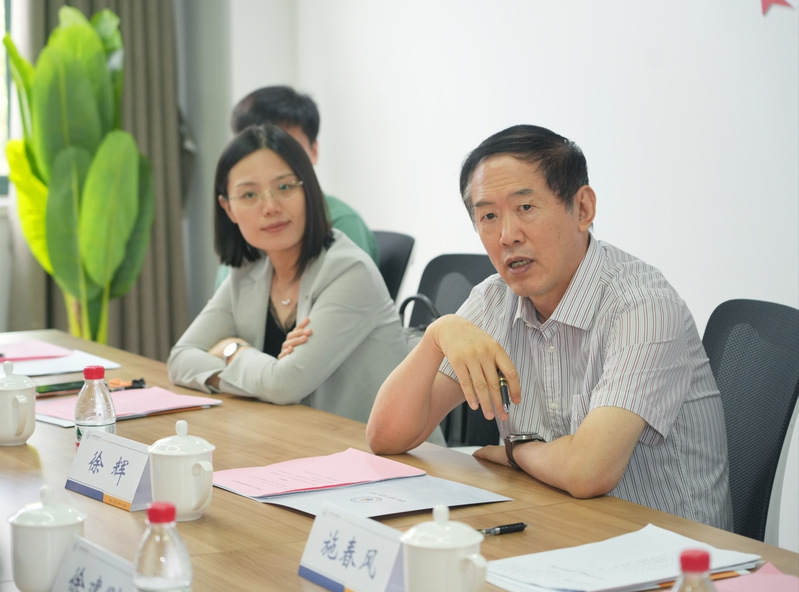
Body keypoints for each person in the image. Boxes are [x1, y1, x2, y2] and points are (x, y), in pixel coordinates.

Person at [366, 124, 733, 529]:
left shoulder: (643, 307)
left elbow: (587, 471)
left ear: (583, 209)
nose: (507, 236)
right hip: (560, 528)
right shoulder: (494, 300)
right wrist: (437, 335)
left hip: (673, 551)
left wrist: (515, 450)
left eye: (525, 207)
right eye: (488, 216)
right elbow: (386, 437)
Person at [168, 123, 414, 426]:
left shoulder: (349, 271)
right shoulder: (248, 271)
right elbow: (180, 359)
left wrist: (231, 350)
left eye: (284, 187)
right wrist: (265, 372)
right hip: (296, 438)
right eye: (249, 194)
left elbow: (284, 385)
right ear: (228, 208)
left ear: (309, 190)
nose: (270, 207)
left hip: (376, 448)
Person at [215, 85, 377, 288]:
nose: (270, 159)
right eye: (254, 146)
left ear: (313, 150)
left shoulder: (342, 225)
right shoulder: (247, 227)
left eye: (287, 148)